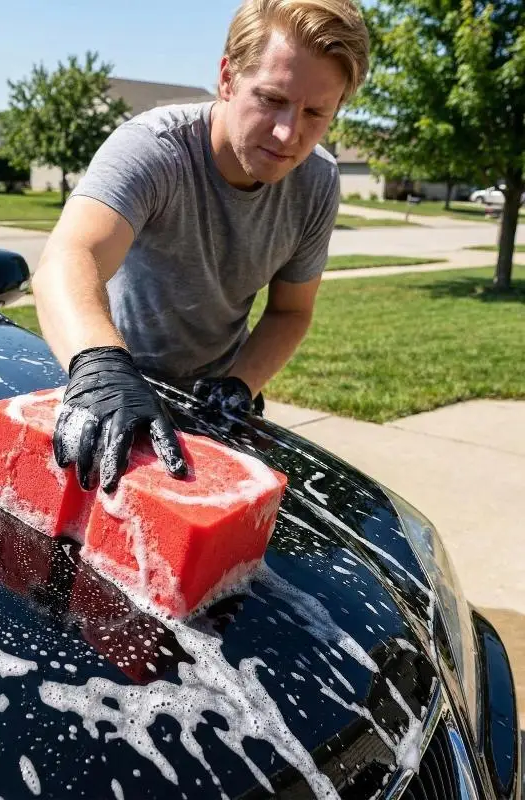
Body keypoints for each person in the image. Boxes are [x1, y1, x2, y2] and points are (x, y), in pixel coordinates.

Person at [32, 0, 370, 494]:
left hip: (215, 401)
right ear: (228, 78)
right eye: (273, 98)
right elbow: (68, 259)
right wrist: (102, 369)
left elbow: (290, 312)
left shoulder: (318, 180)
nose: (287, 133)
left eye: (316, 112)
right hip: (109, 388)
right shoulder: (153, 149)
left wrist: (239, 386)